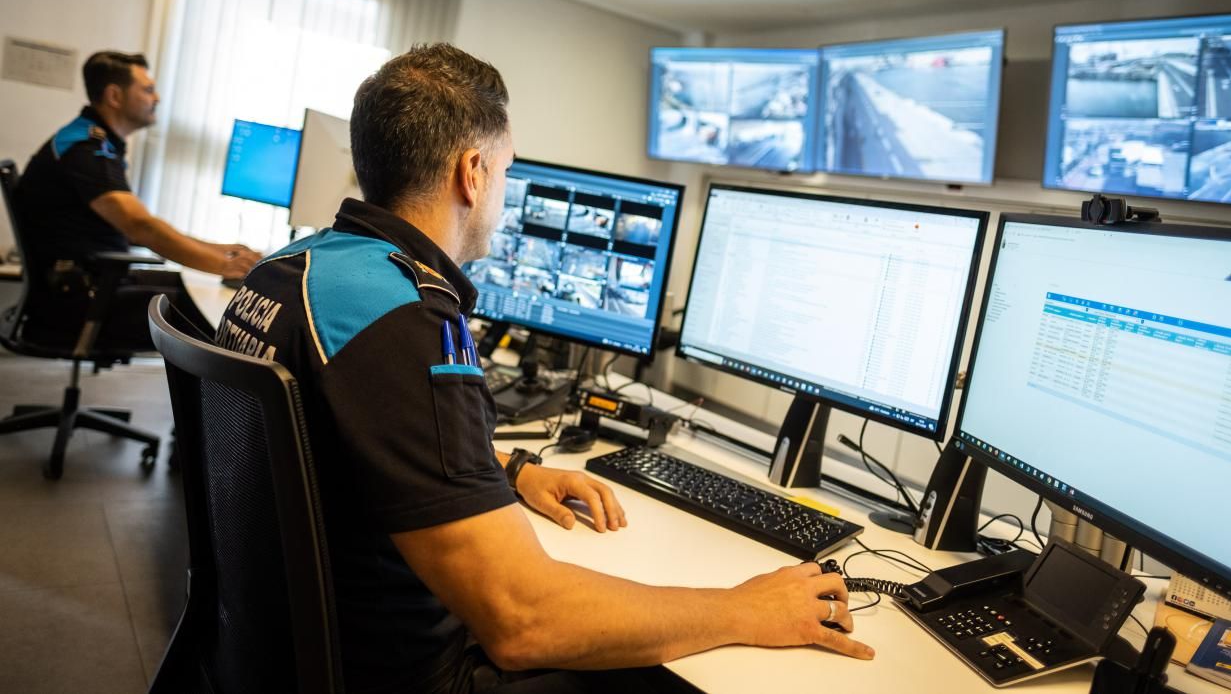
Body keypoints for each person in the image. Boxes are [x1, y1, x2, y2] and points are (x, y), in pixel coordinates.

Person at [215, 43, 874, 694]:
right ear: (473, 172)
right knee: (667, 678)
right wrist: (744, 609)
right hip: (398, 673)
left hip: (276, 647)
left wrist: (505, 471)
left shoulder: (292, 268)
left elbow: (346, 442)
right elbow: (523, 622)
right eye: (507, 170)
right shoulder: (405, 320)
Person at [13, 51, 259, 348]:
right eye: (147, 89)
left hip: (90, 283)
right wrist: (222, 265)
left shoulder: (91, 141)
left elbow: (141, 227)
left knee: (195, 287)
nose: (156, 98)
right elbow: (139, 225)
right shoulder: (86, 149)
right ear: (114, 96)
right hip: (75, 301)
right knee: (218, 316)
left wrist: (217, 251)